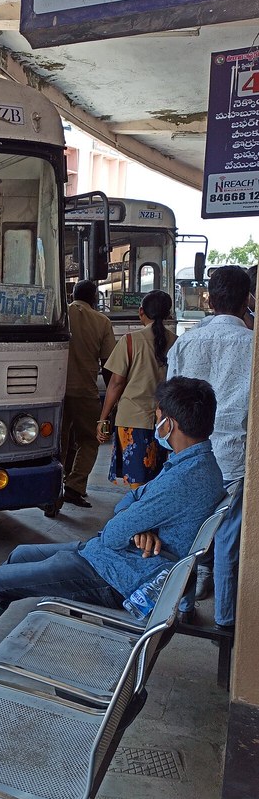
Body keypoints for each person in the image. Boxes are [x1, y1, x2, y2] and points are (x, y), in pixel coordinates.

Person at [0, 377, 225, 652]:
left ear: (171, 424)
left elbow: (115, 531)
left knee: (1, 581)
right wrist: (140, 523)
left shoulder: (184, 479)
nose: (156, 424)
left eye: (158, 418)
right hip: (117, 558)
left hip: (116, 576)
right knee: (19, 554)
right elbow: (132, 503)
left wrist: (136, 520)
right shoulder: (197, 465)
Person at [167, 265, 253, 630]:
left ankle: (181, 605)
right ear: (248, 299)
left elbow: (170, 401)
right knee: (231, 538)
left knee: (187, 533)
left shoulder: (185, 343)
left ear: (209, 300)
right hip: (237, 456)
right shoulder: (254, 345)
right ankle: (226, 618)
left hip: (193, 455)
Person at [97, 291, 176, 488]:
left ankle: (138, 515)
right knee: (157, 479)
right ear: (168, 314)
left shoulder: (130, 341)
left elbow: (116, 384)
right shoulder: (176, 342)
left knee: (136, 483)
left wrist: (103, 417)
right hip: (164, 422)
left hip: (131, 420)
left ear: (141, 312)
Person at [60, 280, 116, 508]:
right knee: (91, 439)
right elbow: (108, 364)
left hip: (57, 393)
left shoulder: (60, 315)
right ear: (95, 297)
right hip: (85, 391)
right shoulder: (102, 321)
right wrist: (113, 399)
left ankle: (54, 487)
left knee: (59, 442)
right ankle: (74, 485)